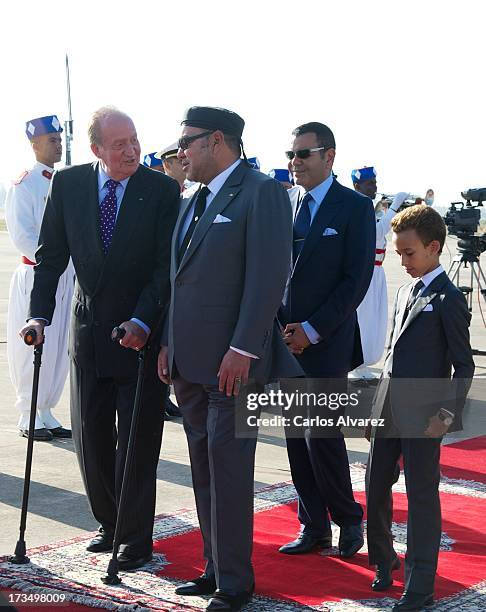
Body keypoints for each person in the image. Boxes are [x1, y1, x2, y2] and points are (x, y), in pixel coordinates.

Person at [20, 106, 180, 571]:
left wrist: (144, 321)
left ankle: (134, 538)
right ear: (96, 150)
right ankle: (109, 523)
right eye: (119, 144)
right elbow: (50, 258)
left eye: (134, 140)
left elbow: (161, 271)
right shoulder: (68, 186)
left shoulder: (161, 190)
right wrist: (38, 317)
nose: (131, 150)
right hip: (89, 333)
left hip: (139, 335)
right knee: (90, 439)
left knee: (136, 442)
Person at [158, 106, 302, 612]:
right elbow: (179, 282)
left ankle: (235, 583)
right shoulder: (191, 200)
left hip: (233, 367)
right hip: (190, 365)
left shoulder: (260, 192)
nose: (180, 153)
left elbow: (268, 276)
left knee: (230, 473)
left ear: (217, 140)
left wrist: (244, 348)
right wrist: (169, 341)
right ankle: (214, 566)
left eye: (187, 143)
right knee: (203, 470)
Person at [366, 205, 474, 611]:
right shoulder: (404, 290)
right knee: (376, 488)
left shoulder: (448, 299)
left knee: (421, 496)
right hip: (389, 409)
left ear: (433, 248)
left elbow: (464, 364)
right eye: (399, 254)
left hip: (424, 417)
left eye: (409, 254)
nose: (403, 261)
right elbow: (393, 355)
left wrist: (445, 415)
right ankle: (383, 559)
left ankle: (420, 584)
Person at [278, 122, 376, 559]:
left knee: (323, 437)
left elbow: (355, 281)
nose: (294, 162)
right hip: (283, 341)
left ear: (329, 156)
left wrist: (313, 330)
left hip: (327, 340)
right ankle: (313, 526)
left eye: (303, 154)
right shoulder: (284, 205)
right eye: (291, 155)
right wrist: (281, 331)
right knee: (296, 438)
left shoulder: (354, 207)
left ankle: (349, 520)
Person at [5, 115, 73, 442]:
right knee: (31, 347)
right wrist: (54, 260)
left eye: (59, 139)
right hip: (36, 274)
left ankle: (45, 409)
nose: (58, 144)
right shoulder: (25, 183)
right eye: (52, 140)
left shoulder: (64, 182)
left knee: (59, 345)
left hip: (64, 276)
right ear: (34, 144)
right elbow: (22, 235)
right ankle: (26, 414)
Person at [350, 166, 409, 380]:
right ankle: (355, 366)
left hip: (377, 273)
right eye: (369, 183)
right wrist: (394, 207)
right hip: (364, 272)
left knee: (375, 320)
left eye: (375, 182)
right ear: (357, 186)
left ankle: (362, 364)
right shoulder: (356, 207)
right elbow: (378, 231)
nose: (374, 186)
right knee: (363, 320)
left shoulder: (368, 207)